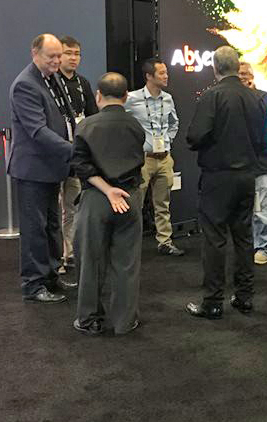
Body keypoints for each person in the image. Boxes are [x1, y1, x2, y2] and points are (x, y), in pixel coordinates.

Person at [185, 46, 267, 319]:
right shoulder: (256, 98)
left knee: (214, 238)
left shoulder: (213, 96)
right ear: (236, 67)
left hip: (218, 176)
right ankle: (245, 297)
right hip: (247, 175)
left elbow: (195, 135)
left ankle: (213, 301)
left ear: (215, 68)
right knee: (244, 237)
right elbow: (264, 140)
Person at [71, 73, 146, 336]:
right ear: (126, 96)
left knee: (90, 261)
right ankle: (125, 321)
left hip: (97, 199)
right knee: (127, 263)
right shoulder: (135, 125)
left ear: (98, 96)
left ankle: (89, 319)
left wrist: (106, 189)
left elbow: (80, 165)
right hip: (129, 198)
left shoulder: (86, 126)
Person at [9, 34, 75, 304]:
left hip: (50, 168)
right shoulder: (25, 85)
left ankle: (50, 276)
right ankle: (33, 284)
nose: (57, 61)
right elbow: (37, 131)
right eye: (52, 56)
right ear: (34, 53)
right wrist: (74, 150)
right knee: (35, 229)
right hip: (32, 171)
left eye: (59, 55)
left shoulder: (51, 78)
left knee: (51, 226)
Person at [125, 58, 184, 256]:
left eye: (166, 72)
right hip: (143, 159)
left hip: (164, 157)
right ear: (149, 76)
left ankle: (165, 241)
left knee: (163, 204)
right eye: (161, 73)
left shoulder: (168, 98)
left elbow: (174, 123)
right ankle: (130, 245)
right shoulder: (132, 99)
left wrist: (167, 141)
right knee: (136, 203)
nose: (166, 76)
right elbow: (118, 118)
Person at [57, 35, 98, 271]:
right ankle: (55, 256)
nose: (73, 58)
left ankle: (70, 253)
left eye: (77, 54)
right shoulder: (50, 83)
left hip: (77, 153)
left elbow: (93, 116)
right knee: (54, 209)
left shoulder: (83, 83)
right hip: (55, 154)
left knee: (72, 205)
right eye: (68, 53)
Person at [239, 61, 267, 265]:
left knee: (262, 210)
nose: (242, 77)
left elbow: (265, 116)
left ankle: (264, 247)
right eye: (238, 74)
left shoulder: (265, 98)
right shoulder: (231, 99)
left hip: (260, 164)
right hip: (238, 164)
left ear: (252, 76)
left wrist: (251, 96)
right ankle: (245, 246)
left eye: (245, 73)